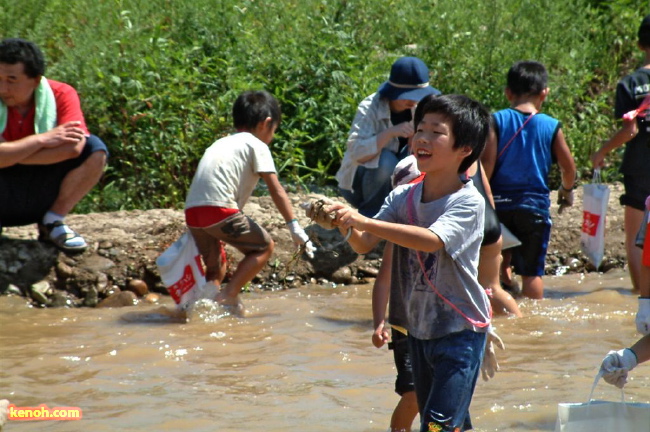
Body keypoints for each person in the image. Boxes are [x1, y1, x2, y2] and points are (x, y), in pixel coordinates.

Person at [331, 94, 492, 432]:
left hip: (461, 331)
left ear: (465, 149)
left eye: (436, 132)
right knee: (449, 423)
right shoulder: (402, 196)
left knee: (436, 426)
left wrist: (362, 219)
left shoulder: (467, 202)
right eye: (420, 129)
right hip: (419, 331)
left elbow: (431, 241)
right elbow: (363, 244)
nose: (422, 138)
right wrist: (344, 225)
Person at [184, 90, 314, 313]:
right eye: (274, 131)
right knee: (264, 247)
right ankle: (226, 297)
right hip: (219, 209)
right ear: (267, 123)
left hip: (192, 212)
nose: (272, 138)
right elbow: (276, 189)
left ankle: (204, 307)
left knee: (216, 268)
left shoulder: (221, 143)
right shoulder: (257, 144)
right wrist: (294, 225)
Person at [0, 38, 108, 253]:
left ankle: (53, 221)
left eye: (12, 80)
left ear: (36, 80)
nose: (2, 88)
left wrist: (10, 154)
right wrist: (42, 140)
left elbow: (73, 148)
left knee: (94, 149)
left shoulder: (62, 94)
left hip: (41, 188)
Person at [482, 60, 577, 300]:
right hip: (533, 207)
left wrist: (486, 201)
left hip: (499, 204)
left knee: (498, 256)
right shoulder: (551, 125)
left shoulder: (496, 120)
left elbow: (487, 165)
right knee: (533, 274)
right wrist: (566, 190)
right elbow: (569, 168)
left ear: (508, 93)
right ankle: (533, 324)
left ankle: (504, 297)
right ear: (544, 93)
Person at [591, 15, 650, 317]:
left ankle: (642, 301)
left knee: (636, 238)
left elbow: (630, 130)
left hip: (641, 167)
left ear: (640, 44)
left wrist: (601, 152)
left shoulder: (632, 83)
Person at [336, 56, 440, 217]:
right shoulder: (370, 106)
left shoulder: (419, 107)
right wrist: (390, 133)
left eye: (417, 95)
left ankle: (401, 215)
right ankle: (371, 216)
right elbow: (356, 152)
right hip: (357, 187)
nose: (413, 100)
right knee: (386, 160)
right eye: (408, 95)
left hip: (397, 185)